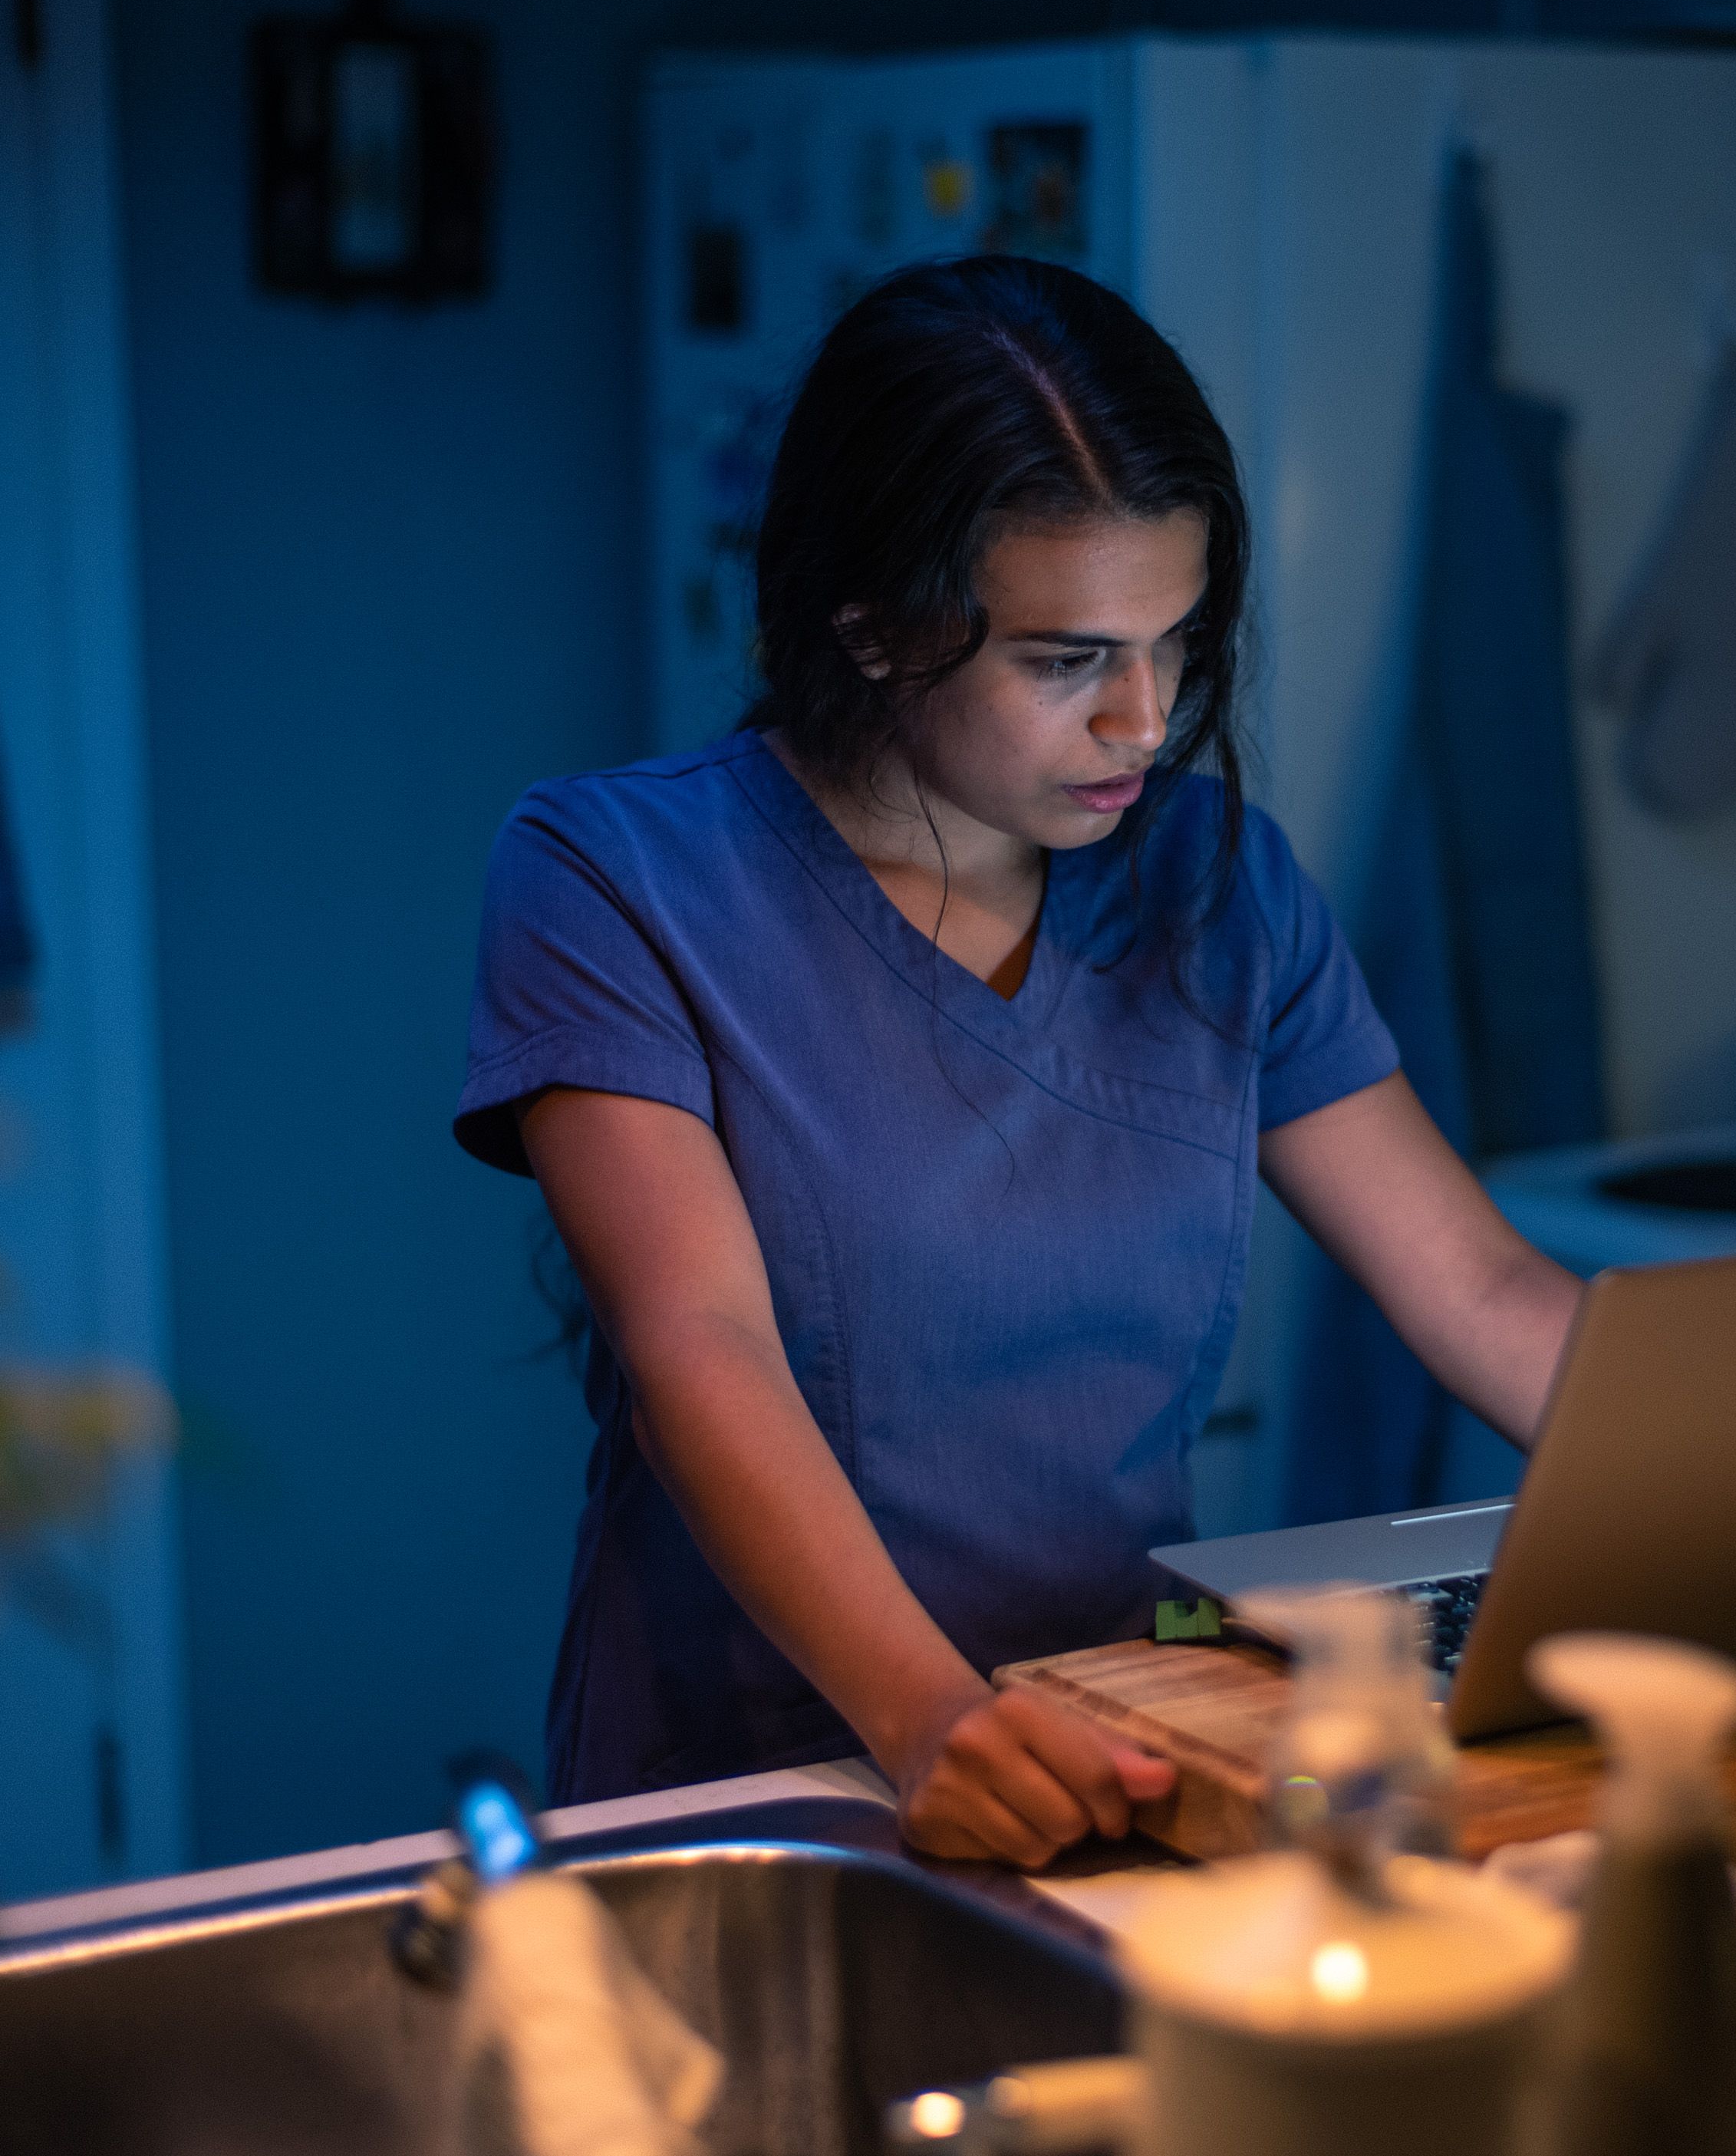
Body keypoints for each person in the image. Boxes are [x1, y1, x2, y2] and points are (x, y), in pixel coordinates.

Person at [455, 255, 1582, 1868]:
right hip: (774, 1783)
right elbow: (694, 1342)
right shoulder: (610, 874)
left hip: (1145, 1744)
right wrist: (929, 1719)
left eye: (1175, 642)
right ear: (871, 628)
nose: (1144, 717)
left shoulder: (1219, 880)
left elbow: (1477, 1288)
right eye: (1066, 661)